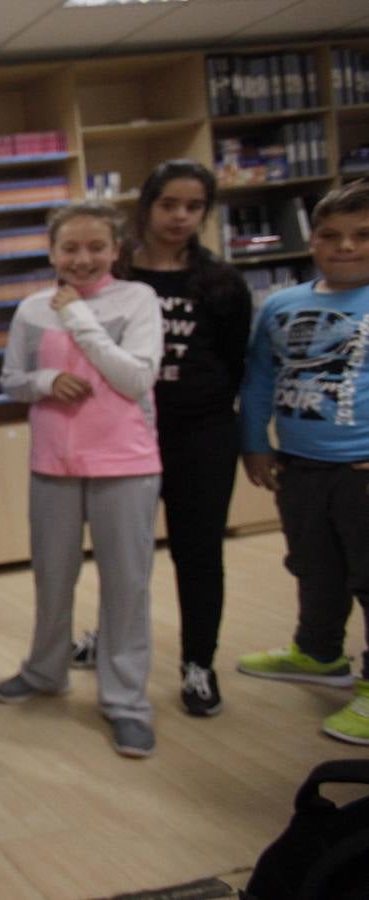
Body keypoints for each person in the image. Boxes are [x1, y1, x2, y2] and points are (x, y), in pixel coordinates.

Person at [70, 160, 253, 717]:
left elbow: (234, 360)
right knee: (124, 552)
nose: (179, 216)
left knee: (198, 552)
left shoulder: (222, 282)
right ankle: (113, 639)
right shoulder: (114, 275)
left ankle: (199, 664)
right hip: (127, 431)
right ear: (146, 206)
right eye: (168, 204)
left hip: (201, 434)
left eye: (193, 207)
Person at [0, 202, 164, 759]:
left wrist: (79, 318)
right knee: (52, 577)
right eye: (70, 248)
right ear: (52, 252)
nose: (83, 258)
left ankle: (126, 702)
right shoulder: (32, 309)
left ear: (116, 249)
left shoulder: (138, 300)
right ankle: (45, 671)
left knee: (126, 586)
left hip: (127, 464)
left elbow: (135, 376)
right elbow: (13, 379)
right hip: (52, 466)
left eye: (96, 247)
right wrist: (45, 380)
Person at [236, 179, 369, 746]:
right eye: (331, 235)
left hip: (362, 469)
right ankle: (318, 653)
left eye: (362, 236)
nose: (345, 247)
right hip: (300, 466)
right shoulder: (282, 306)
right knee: (315, 565)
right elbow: (261, 379)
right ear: (311, 240)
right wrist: (255, 443)